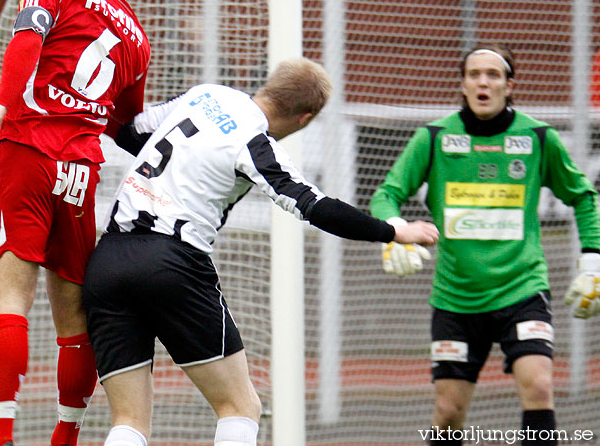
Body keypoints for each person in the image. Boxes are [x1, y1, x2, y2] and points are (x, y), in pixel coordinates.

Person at [82, 58, 440, 446]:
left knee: (129, 421)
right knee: (240, 407)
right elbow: (315, 207)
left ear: (269, 86)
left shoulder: (207, 94)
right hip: (171, 264)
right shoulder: (254, 142)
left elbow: (132, 133)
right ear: (305, 119)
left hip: (109, 260)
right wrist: (392, 231)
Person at [0, 0, 151, 446]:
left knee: (10, 301)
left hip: (25, 146)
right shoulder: (137, 39)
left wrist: (2, 102)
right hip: (80, 170)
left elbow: (28, 39)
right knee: (73, 316)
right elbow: (125, 122)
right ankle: (65, 436)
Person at [370, 44, 600, 446]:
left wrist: (593, 263)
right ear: (462, 84)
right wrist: (394, 230)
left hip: (523, 288)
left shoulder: (538, 138)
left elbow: (584, 196)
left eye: (493, 75)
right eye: (474, 74)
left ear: (510, 85)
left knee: (540, 387)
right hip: (456, 298)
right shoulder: (435, 137)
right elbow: (387, 192)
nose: (483, 81)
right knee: (447, 413)